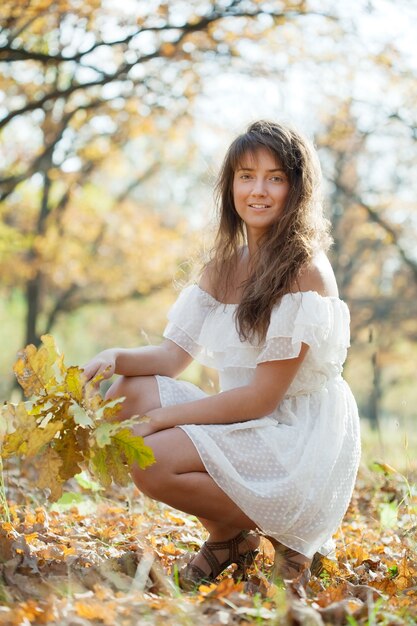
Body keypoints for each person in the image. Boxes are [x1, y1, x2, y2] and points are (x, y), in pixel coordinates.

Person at [82, 120, 361, 589]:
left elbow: (259, 400)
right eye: (246, 175)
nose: (258, 190)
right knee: (127, 390)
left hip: (296, 437)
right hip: (250, 423)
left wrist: (163, 422)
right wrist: (114, 357)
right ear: (230, 183)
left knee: (149, 453)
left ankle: (290, 537)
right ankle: (229, 537)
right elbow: (171, 358)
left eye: (275, 177)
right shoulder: (223, 268)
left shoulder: (304, 272)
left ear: (296, 189)